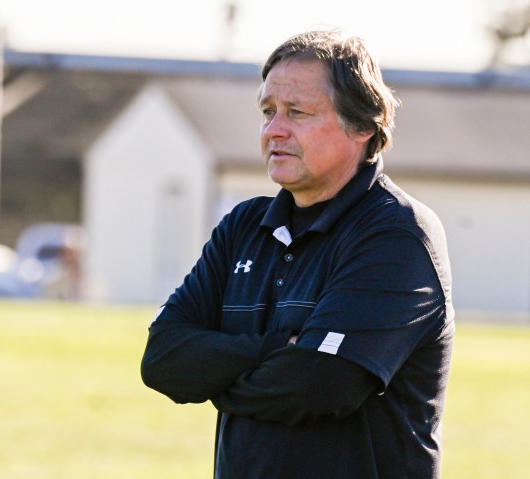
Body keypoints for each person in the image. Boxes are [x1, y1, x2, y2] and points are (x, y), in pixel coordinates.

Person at [141, 28, 454, 479]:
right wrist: (276, 348)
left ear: (363, 125)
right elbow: (163, 359)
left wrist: (216, 377)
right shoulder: (243, 226)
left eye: (297, 113)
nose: (275, 130)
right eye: (267, 111)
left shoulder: (396, 235)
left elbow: (320, 386)